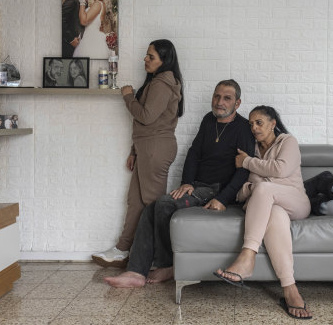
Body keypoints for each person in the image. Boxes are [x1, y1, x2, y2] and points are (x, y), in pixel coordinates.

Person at [103, 79, 255, 287]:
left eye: (227, 98)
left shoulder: (244, 128)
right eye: (216, 96)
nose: (220, 102)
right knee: (152, 207)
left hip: (216, 190)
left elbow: (243, 171)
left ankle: (167, 266)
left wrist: (221, 198)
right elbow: (193, 154)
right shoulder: (208, 120)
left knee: (165, 204)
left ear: (237, 103)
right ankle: (136, 272)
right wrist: (187, 182)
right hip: (199, 187)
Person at [212, 106, 313, 320]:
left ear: (273, 124)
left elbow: (281, 169)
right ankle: (290, 289)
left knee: (264, 188)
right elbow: (240, 192)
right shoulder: (252, 148)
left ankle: (248, 255)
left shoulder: (288, 142)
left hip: (295, 201)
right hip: (271, 207)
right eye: (251, 124)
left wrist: (249, 164)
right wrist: (255, 185)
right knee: (274, 213)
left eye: (259, 122)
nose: (254, 127)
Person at [92, 39, 184, 267]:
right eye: (146, 55)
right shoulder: (157, 81)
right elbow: (147, 123)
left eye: (151, 56)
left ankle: (161, 260)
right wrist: (134, 151)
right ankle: (122, 250)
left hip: (156, 148)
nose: (145, 59)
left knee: (153, 204)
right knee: (135, 201)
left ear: (164, 61)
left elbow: (145, 116)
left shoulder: (164, 82)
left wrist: (127, 96)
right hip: (146, 147)